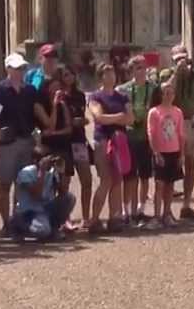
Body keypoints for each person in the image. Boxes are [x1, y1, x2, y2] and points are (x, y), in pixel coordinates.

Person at [0, 53, 41, 232]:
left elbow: (35, 115)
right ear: (8, 69)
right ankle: (6, 222)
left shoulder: (30, 90)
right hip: (6, 142)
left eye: (22, 68)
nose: (20, 71)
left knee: (23, 183)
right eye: (17, 68)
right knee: (4, 183)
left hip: (26, 140)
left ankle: (18, 219)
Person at [88, 62, 134, 233]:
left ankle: (114, 218)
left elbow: (130, 119)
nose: (111, 76)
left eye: (112, 72)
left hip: (119, 141)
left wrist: (115, 118)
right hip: (102, 141)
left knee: (117, 180)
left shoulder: (122, 97)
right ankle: (94, 220)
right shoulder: (95, 97)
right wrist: (119, 116)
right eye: (107, 73)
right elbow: (99, 117)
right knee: (106, 180)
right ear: (100, 77)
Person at [169, 44, 194, 220]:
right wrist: (177, 74)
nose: (182, 62)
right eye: (178, 59)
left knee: (191, 166)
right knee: (171, 166)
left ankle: (186, 205)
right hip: (173, 124)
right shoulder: (167, 75)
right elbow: (165, 93)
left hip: (191, 122)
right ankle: (167, 209)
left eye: (184, 58)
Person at [9, 147, 75, 242]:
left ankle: (53, 228)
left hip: (46, 209)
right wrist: (42, 171)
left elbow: (63, 191)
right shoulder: (26, 173)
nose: (49, 163)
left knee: (69, 198)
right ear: (35, 161)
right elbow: (37, 195)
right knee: (43, 231)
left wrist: (61, 173)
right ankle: (17, 226)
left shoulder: (52, 172)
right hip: (29, 212)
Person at [119, 56, 155, 223]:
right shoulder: (123, 89)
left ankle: (140, 208)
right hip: (129, 136)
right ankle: (126, 210)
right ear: (131, 70)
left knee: (145, 175)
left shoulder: (153, 88)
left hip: (147, 136)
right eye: (138, 68)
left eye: (144, 67)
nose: (142, 71)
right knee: (129, 175)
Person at [57, 66, 93, 227]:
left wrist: (83, 121)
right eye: (65, 74)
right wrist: (71, 122)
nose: (69, 77)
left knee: (87, 179)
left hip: (79, 141)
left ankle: (86, 216)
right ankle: (65, 218)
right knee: (64, 182)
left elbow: (82, 114)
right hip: (64, 143)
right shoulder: (59, 95)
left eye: (71, 74)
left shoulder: (80, 95)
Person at [149, 75, 187, 227]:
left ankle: (167, 214)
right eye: (165, 92)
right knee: (159, 184)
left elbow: (181, 134)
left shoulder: (178, 112)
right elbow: (151, 133)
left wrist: (182, 154)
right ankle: (156, 216)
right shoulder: (154, 112)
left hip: (174, 151)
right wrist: (156, 152)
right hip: (160, 152)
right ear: (161, 94)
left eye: (171, 92)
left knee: (170, 185)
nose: (168, 95)